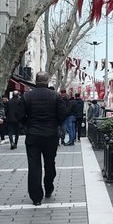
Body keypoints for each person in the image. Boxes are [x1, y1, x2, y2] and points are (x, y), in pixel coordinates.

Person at [22, 71, 67, 205]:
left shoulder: (27, 96)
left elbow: (19, 115)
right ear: (47, 81)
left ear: (36, 81)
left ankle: (36, 198)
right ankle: (48, 187)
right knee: (50, 163)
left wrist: (27, 125)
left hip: (33, 135)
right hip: (50, 135)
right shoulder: (56, 96)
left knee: (34, 166)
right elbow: (62, 114)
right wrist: (55, 125)